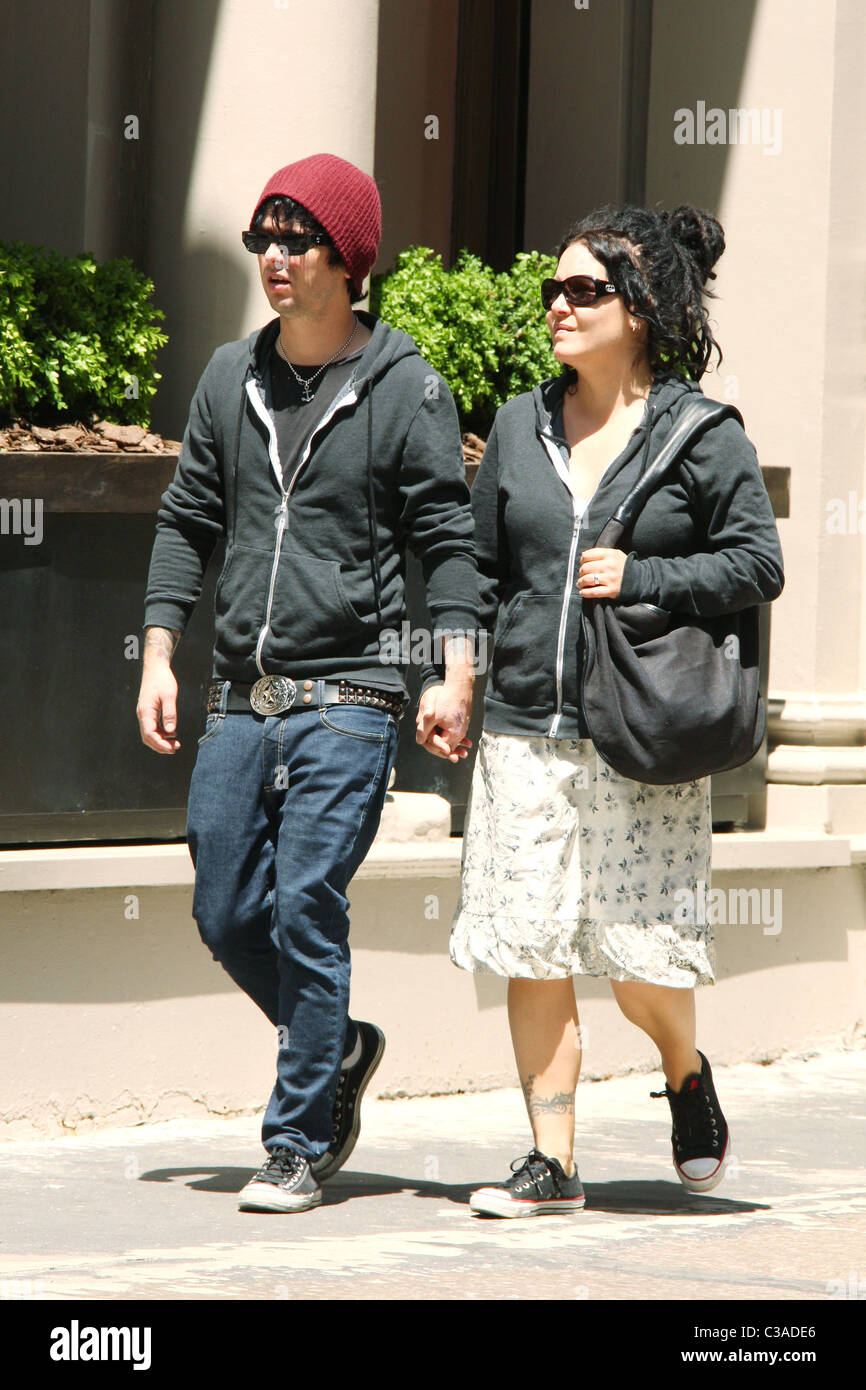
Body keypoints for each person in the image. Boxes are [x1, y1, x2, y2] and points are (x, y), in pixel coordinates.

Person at [138, 153, 478, 1213]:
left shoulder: (406, 385)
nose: (272, 259)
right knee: (225, 904)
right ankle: (336, 1044)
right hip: (243, 689)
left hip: (354, 691)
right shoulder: (228, 375)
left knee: (303, 901)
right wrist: (158, 647)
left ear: (347, 257)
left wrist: (453, 669)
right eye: (262, 240)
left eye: (295, 241)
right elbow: (189, 516)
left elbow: (446, 539)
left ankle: (294, 1139)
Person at [451, 204, 784, 1218]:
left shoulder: (699, 432)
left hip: (639, 733)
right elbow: (476, 565)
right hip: (520, 725)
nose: (557, 304)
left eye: (581, 290)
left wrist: (642, 572)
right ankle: (549, 1158)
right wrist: (455, 673)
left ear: (637, 309)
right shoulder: (517, 424)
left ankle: (683, 1071)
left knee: (639, 962)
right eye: (550, 289)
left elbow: (757, 562)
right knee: (528, 945)